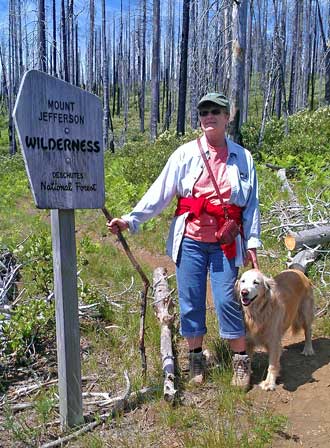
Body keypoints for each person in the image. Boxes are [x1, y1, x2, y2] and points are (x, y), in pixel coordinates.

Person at [107, 92, 261, 388]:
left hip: (225, 242)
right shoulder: (184, 154)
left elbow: (251, 203)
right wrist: (131, 219)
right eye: (204, 112)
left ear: (228, 117)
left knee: (228, 300)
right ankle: (195, 358)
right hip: (190, 240)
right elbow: (160, 191)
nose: (209, 116)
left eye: (216, 111)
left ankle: (241, 361)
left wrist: (252, 241)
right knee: (191, 301)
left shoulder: (243, 157)